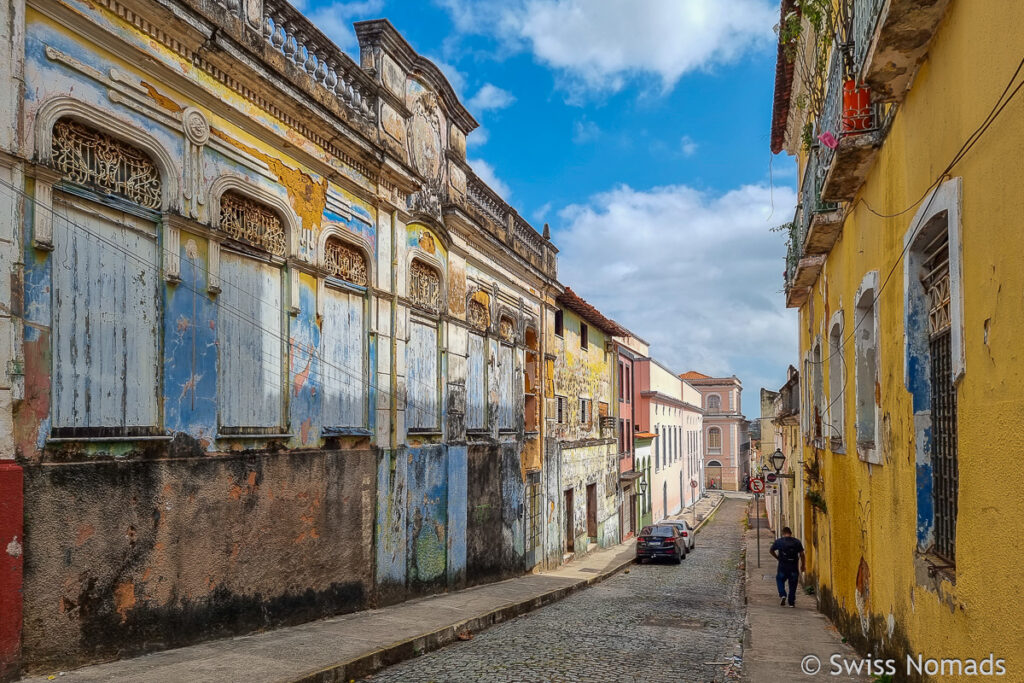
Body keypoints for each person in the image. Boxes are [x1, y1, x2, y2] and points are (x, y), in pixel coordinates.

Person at [769, 526, 805, 607]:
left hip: (783, 566)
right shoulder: (797, 542)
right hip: (793, 566)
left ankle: (783, 594)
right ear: (791, 533)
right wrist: (803, 565)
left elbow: (771, 550)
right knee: (793, 584)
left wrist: (777, 558)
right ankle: (791, 602)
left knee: (780, 579)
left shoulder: (779, 541)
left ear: (783, 533)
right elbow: (802, 554)